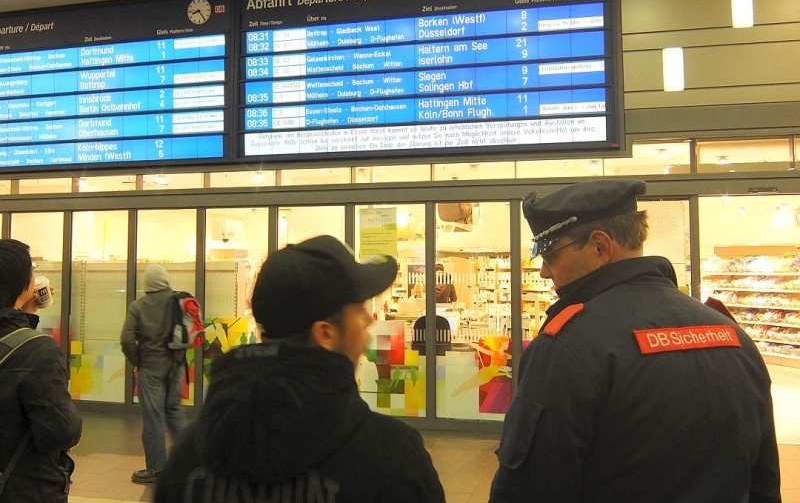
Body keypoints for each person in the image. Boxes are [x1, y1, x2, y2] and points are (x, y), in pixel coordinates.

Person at [489, 179, 781, 502]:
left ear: (600, 246)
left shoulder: (568, 346)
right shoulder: (732, 336)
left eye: (550, 255)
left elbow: (528, 490)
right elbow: (764, 485)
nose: (544, 271)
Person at [155, 235, 446, 503]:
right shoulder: (392, 459)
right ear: (325, 334)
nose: (369, 320)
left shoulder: (188, 457)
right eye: (359, 308)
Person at [0, 239, 82, 502]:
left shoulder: (29, 346)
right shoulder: (39, 352)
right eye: (31, 271)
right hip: (22, 486)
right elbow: (60, 431)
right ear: (21, 282)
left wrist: (26, 314)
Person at [120, 264, 188, 484]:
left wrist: (137, 361)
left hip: (151, 367)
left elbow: (127, 339)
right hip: (176, 365)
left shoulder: (138, 306)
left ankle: (157, 469)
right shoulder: (177, 301)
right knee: (175, 412)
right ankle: (188, 463)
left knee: (153, 417)